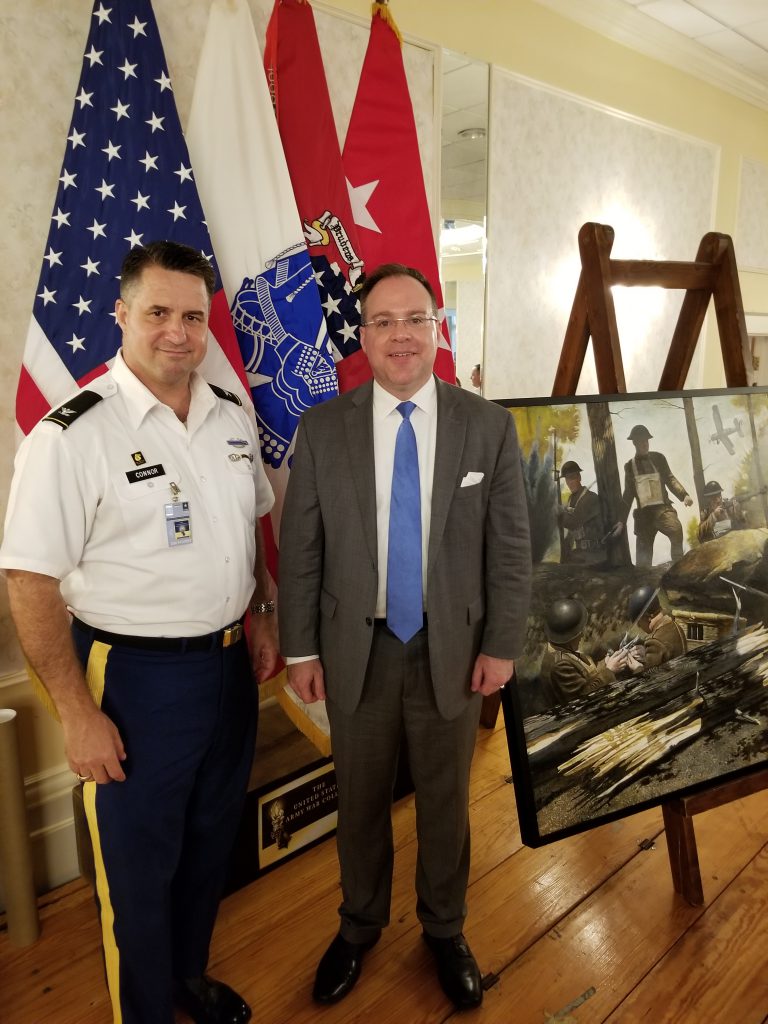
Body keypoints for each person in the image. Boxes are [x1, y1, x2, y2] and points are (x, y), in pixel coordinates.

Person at [0, 241, 278, 1024]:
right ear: (121, 315)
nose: (178, 332)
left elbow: (249, 526)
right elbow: (29, 582)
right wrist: (77, 714)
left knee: (206, 847)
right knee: (138, 871)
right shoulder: (70, 436)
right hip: (132, 682)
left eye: (192, 315)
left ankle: (187, 980)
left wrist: (257, 613)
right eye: (157, 313)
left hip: (226, 673)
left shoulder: (229, 417)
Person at [278, 263, 532, 1011]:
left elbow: (510, 549)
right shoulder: (322, 428)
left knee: (446, 801)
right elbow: (303, 549)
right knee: (357, 801)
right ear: (363, 335)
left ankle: (444, 929)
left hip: (453, 650)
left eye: (414, 319)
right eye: (383, 322)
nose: (400, 336)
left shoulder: (487, 426)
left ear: (437, 326)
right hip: (356, 649)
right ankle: (357, 927)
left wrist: (503, 644)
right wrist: (300, 649)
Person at [614, 424, 693, 567]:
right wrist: (621, 521)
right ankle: (643, 582)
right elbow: (628, 495)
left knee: (676, 529)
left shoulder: (659, 458)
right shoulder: (629, 466)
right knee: (643, 562)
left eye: (646, 441)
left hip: (663, 510)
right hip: (644, 517)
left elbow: (670, 478)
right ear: (634, 443)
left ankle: (678, 568)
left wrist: (684, 495)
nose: (645, 444)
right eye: (641, 441)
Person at [540, 598, 626, 704]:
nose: (581, 635)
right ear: (570, 636)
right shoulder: (560, 665)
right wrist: (609, 670)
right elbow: (583, 697)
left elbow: (586, 675)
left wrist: (606, 663)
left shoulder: (562, 649)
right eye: (578, 632)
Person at [556, 460, 606, 565]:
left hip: (594, 553)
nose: (570, 482)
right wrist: (565, 550)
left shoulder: (590, 498)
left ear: (579, 477)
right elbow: (571, 533)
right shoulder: (571, 499)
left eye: (572, 478)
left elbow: (574, 523)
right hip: (582, 553)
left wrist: (559, 514)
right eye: (567, 479)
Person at [625, 586, 686, 669]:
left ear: (647, 617)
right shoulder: (674, 626)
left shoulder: (655, 642)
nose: (639, 626)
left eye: (639, 622)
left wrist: (637, 668)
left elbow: (648, 679)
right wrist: (646, 652)